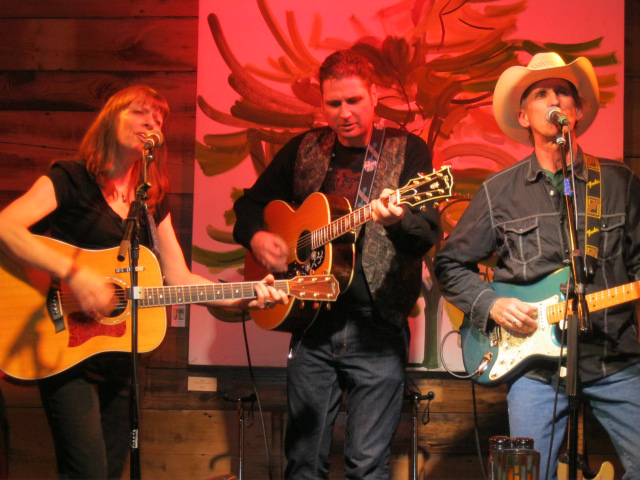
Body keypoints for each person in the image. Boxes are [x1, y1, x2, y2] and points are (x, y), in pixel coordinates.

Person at [0, 85, 288, 480]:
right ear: (110, 119)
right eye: (139, 112)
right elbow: (6, 227)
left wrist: (242, 298)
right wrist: (74, 273)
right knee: (87, 472)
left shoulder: (150, 198)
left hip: (120, 355)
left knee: (112, 470)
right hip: (63, 343)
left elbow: (178, 277)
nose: (151, 123)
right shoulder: (70, 178)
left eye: (158, 119)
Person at [232, 49, 440, 479]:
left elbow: (426, 234)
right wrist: (258, 238)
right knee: (303, 463)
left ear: (374, 96)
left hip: (377, 328)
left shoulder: (407, 150)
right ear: (322, 104)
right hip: (311, 324)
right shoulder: (304, 149)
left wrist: (397, 220)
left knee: (367, 467)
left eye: (354, 100)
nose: (345, 113)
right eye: (334, 103)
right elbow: (249, 206)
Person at [435, 52, 640, 480]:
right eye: (541, 93)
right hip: (536, 371)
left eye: (563, 92)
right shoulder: (498, 192)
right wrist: (490, 304)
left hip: (614, 360)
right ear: (524, 116)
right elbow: (450, 264)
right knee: (524, 476)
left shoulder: (618, 182)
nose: (555, 100)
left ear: (577, 111)